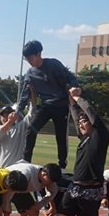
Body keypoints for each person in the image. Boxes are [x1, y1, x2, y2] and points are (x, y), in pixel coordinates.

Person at [35, 86, 109, 216]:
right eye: (81, 123)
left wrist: (78, 98)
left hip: (92, 191)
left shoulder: (100, 137)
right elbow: (77, 116)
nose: (82, 124)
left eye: (86, 122)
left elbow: (91, 114)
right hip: (74, 187)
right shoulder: (84, 139)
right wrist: (70, 101)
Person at [18, 40, 80, 169]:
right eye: (26, 58)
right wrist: (18, 110)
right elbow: (25, 94)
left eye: (31, 57)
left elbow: (70, 77)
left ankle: (62, 164)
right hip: (45, 106)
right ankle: (25, 160)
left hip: (61, 105)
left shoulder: (54, 64)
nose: (29, 61)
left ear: (39, 53)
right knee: (31, 129)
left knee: (61, 135)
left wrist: (75, 86)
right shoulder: (30, 73)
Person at [0, 105, 32, 169]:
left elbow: (31, 114)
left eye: (8, 115)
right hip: (2, 167)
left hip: (17, 167)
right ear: (0, 117)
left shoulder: (21, 126)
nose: (7, 117)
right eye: (4, 116)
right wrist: (10, 121)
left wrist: (32, 99)